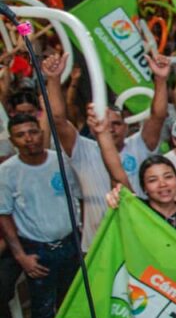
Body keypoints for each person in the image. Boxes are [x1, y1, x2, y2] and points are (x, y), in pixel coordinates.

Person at [41, 51, 167, 247]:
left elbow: (158, 116)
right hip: (97, 244)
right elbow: (57, 120)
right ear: (93, 127)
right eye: (105, 123)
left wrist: (161, 79)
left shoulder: (140, 144)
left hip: (137, 239)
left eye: (116, 124)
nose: (110, 129)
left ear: (126, 126)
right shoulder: (81, 149)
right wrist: (54, 80)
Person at [0, 113, 81, 318]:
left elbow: (78, 197)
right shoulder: (7, 172)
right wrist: (20, 256)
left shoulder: (61, 161)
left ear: (42, 133)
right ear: (12, 141)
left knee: (76, 301)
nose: (29, 139)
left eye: (33, 132)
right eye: (21, 135)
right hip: (38, 250)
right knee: (43, 309)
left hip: (71, 243)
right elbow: (4, 215)